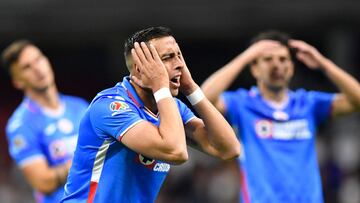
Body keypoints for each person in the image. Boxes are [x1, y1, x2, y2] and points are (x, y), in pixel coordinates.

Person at [61, 26, 240, 203]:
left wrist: (191, 88)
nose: (179, 65)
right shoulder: (110, 106)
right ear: (140, 69)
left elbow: (229, 149)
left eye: (179, 56)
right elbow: (176, 152)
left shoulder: (172, 107)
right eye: (167, 58)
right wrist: (161, 86)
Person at [201, 31, 360, 203]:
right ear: (254, 68)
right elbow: (205, 98)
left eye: (283, 59)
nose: (276, 65)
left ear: (291, 68)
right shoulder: (242, 104)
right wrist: (245, 57)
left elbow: (356, 99)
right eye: (268, 59)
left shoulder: (307, 103)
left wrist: (323, 64)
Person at [2, 40, 89, 203]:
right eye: (26, 67)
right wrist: (84, 160)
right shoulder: (21, 125)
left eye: (38, 59)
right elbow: (43, 182)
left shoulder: (80, 106)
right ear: (17, 81)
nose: (37, 69)